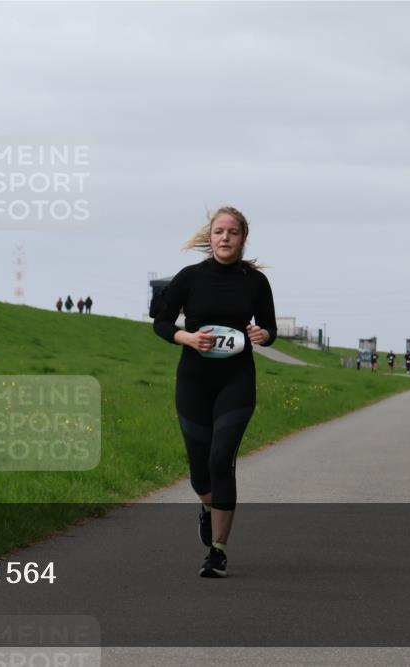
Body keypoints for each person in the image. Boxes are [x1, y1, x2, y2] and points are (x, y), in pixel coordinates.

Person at [152, 206, 276, 578]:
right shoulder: (189, 278)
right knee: (200, 474)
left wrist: (263, 335)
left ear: (242, 238)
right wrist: (186, 337)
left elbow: (269, 327)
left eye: (232, 232)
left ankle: (218, 551)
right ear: (210, 236)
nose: (225, 237)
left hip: (236, 380)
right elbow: (160, 321)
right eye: (219, 231)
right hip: (194, 380)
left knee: (221, 458)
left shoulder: (255, 282)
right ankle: (207, 507)